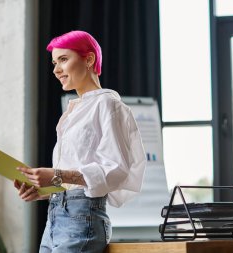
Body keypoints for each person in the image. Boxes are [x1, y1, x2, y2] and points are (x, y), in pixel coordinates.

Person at [14, 30, 146, 253]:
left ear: (89, 59)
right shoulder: (73, 111)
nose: (56, 70)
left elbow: (116, 169)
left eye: (63, 59)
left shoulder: (108, 105)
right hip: (55, 220)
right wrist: (45, 190)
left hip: (82, 220)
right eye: (55, 62)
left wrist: (57, 174)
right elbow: (77, 180)